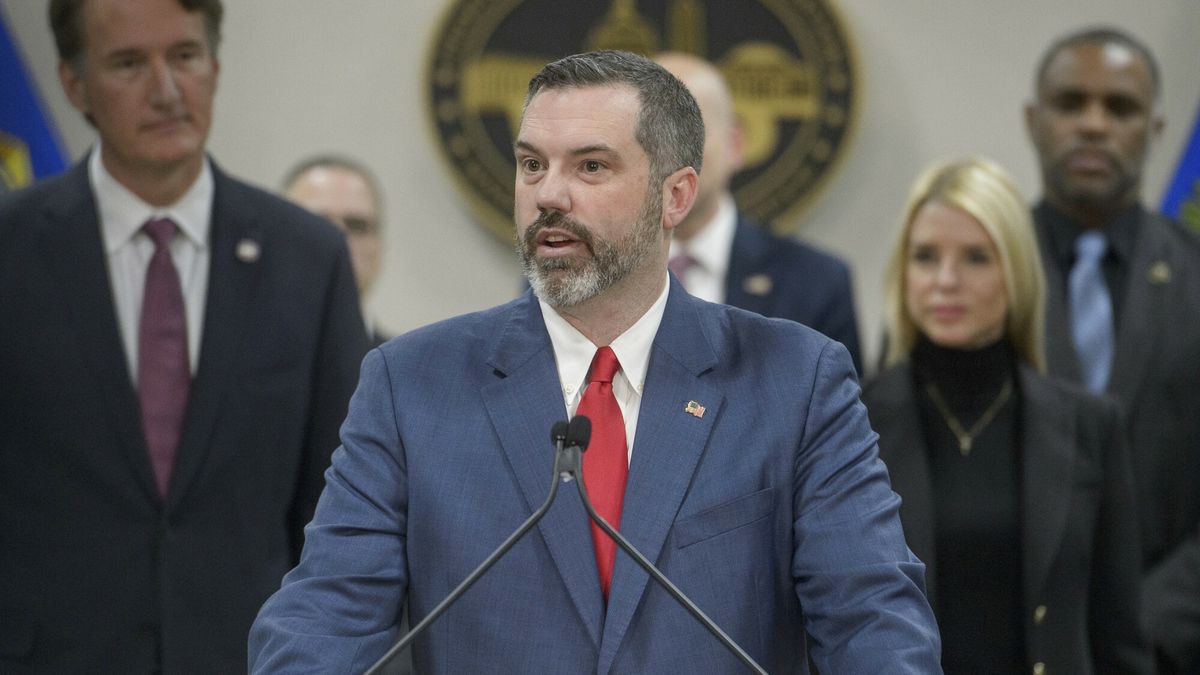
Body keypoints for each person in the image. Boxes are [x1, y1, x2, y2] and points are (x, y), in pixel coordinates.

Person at [248, 50, 941, 673]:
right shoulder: (411, 383)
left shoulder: (795, 379)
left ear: (676, 196)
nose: (549, 193)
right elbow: (323, 619)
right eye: (531, 164)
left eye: (590, 166)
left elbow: (873, 619)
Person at [0, 0, 368, 671]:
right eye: (129, 63)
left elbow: (337, 507)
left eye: (185, 57)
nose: (167, 90)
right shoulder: (11, 247)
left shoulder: (307, 259)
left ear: (217, 66)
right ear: (74, 83)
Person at [864, 157, 1152, 674]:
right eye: (926, 257)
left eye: (976, 258)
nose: (945, 281)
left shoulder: (1090, 425)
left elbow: (1118, 637)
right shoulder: (851, 422)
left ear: (1016, 270)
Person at [1024, 27, 1200, 673]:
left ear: (1154, 130)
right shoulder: (965, 280)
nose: (1094, 125)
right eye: (1071, 104)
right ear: (1034, 120)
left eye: (1120, 108)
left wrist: (1142, 625)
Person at [654, 52, 864, 374]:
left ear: (735, 145)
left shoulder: (815, 283)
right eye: (650, 136)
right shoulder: (594, 276)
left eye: (686, 132)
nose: (668, 153)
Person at [283, 155, 391, 346]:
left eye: (356, 226)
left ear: (379, 245)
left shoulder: (403, 370)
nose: (339, 240)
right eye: (317, 223)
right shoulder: (234, 353)